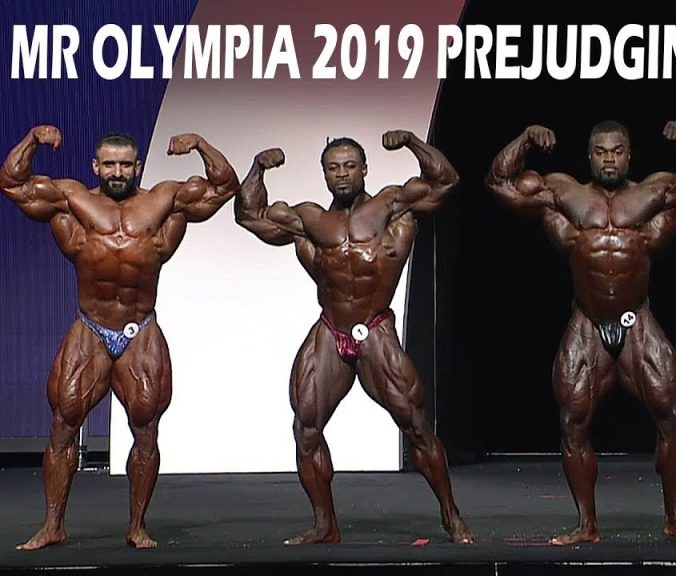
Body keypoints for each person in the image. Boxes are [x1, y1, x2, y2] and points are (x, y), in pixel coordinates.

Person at [485, 120, 676, 545]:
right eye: (601, 152)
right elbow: (499, 183)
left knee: (671, 417)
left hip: (637, 321)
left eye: (617, 151)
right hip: (586, 323)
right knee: (573, 424)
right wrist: (525, 137)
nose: (609, 159)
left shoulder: (657, 191)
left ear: (629, 154)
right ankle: (586, 525)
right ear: (589, 156)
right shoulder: (563, 192)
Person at [1, 127, 240, 550]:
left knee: (146, 428)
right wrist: (33, 140)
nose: (117, 172)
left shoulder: (163, 200)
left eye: (125, 164)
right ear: (96, 166)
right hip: (90, 327)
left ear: (137, 166)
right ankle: (53, 525)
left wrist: (202, 145)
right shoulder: (73, 199)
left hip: (140, 328)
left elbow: (224, 186)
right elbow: (12, 183)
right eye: (109, 164)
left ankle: (137, 527)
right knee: (63, 424)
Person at [234, 130, 473, 545]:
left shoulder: (392, 205)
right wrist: (258, 168)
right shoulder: (310, 220)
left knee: (417, 427)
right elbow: (249, 215)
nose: (342, 174)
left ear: (364, 169)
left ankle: (451, 516)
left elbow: (446, 181)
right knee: (306, 428)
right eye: (333, 168)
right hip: (331, 330)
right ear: (324, 174)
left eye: (349, 166)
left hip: (375, 328)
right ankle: (325, 525)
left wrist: (413, 142)